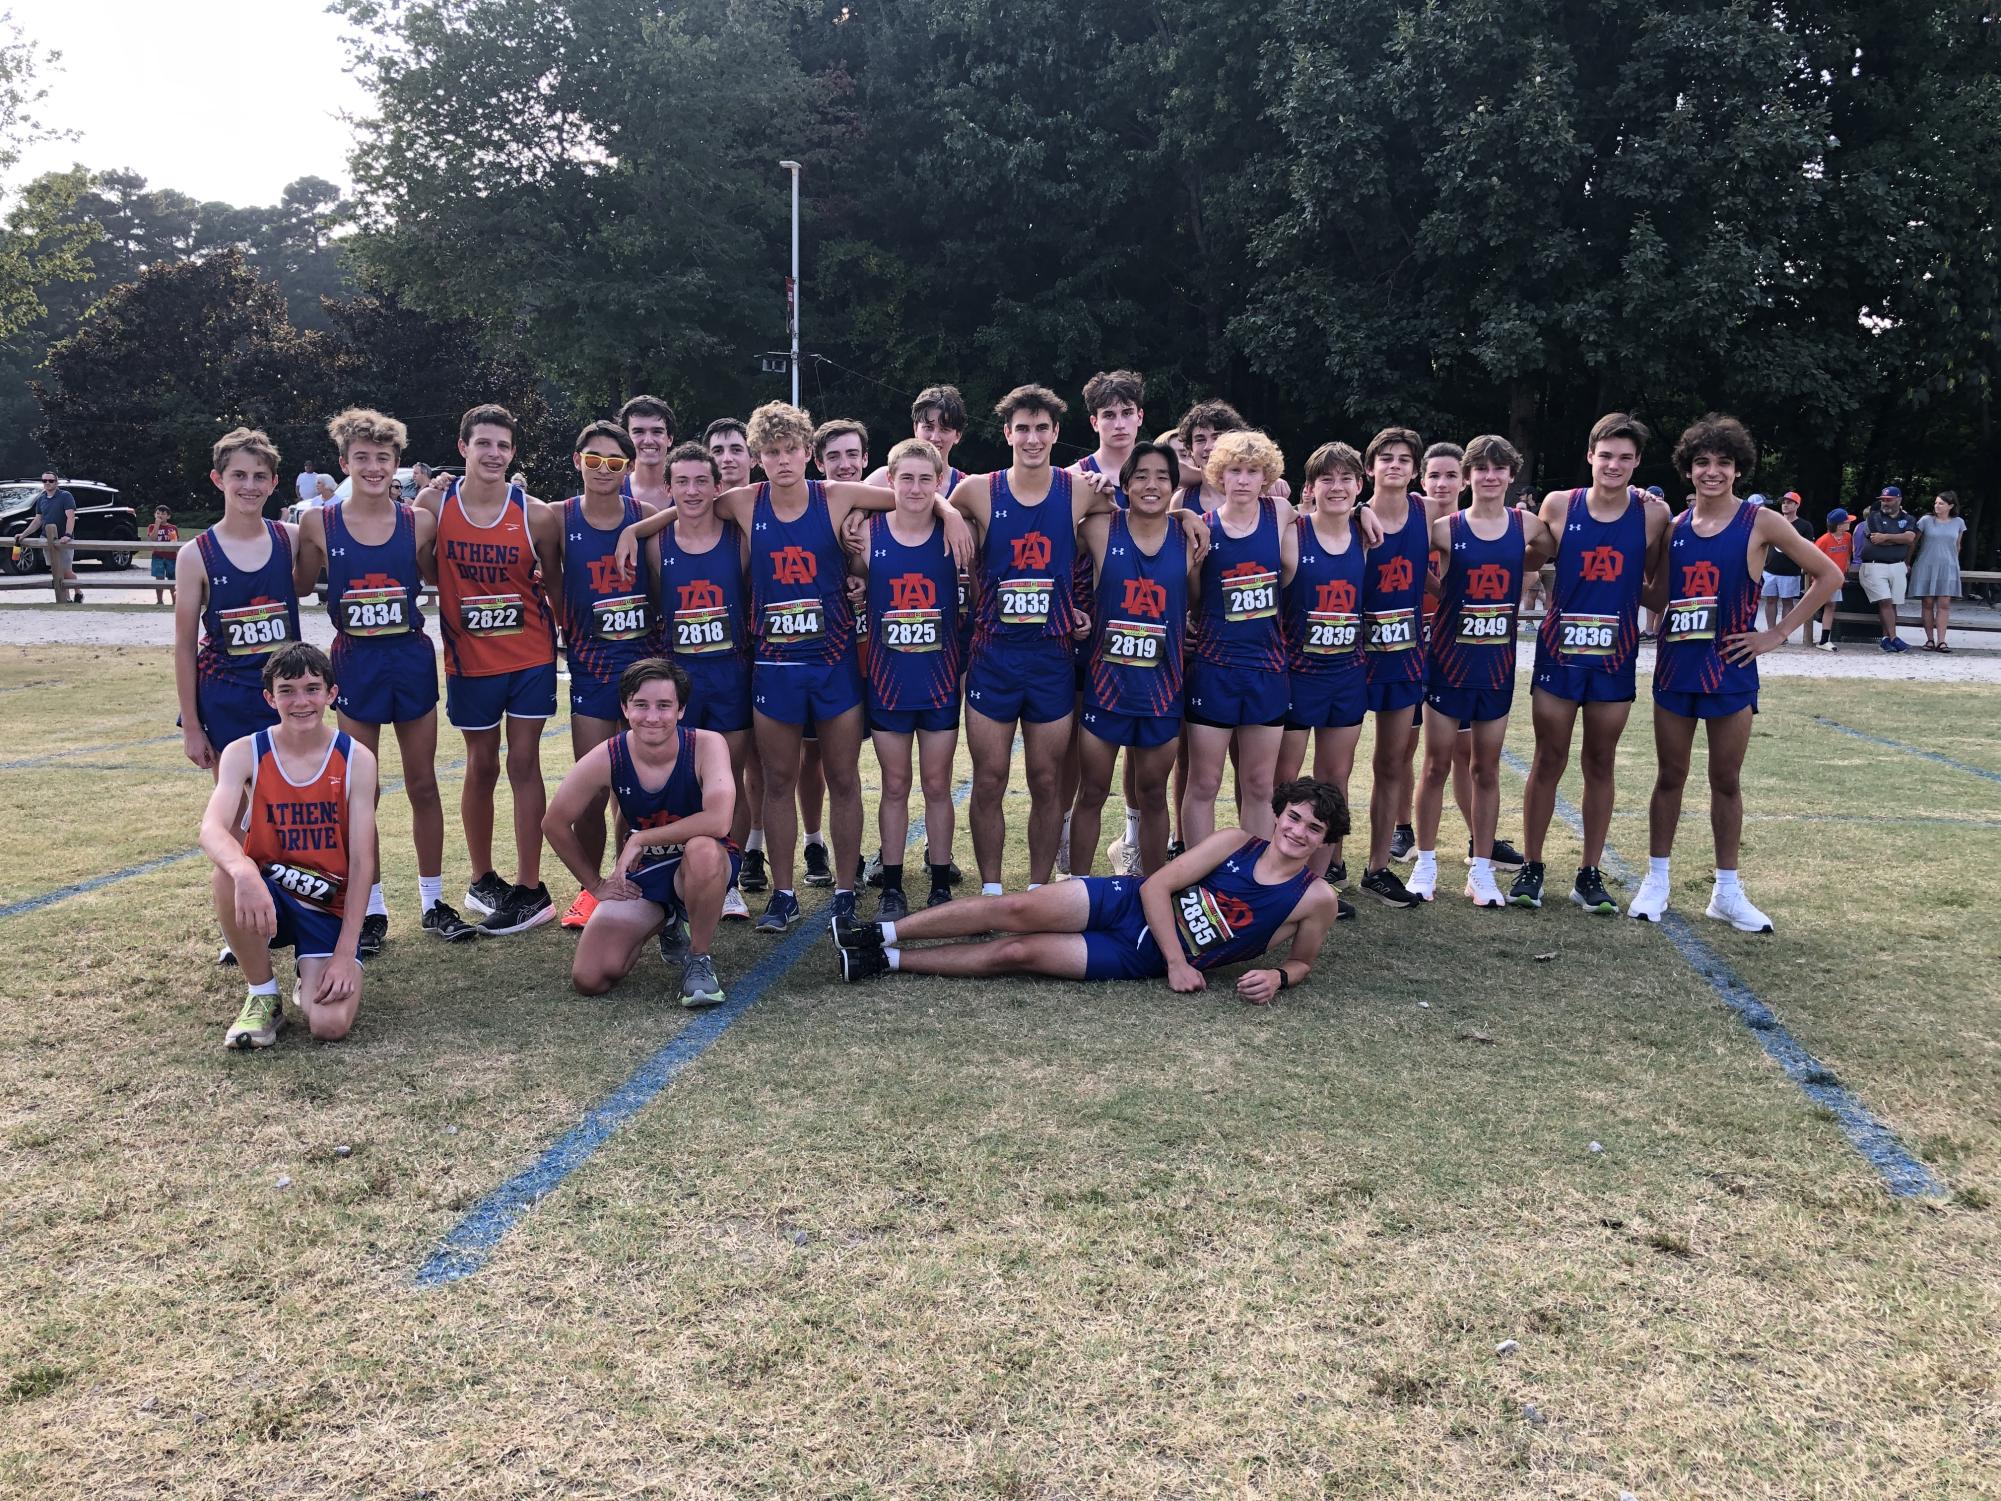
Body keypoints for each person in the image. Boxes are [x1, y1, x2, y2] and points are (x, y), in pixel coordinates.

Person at [616, 401, 969, 932]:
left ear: (808, 452)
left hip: (833, 666)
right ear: (758, 458)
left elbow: (908, 494)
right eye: (772, 452)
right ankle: (783, 891)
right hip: (773, 668)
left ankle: (847, 889)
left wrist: (951, 512)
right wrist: (634, 531)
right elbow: (693, 505)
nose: (783, 460)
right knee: (778, 781)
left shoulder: (837, 495)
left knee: (844, 779)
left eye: (791, 450)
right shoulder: (743, 501)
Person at [831, 778, 1345, 1002]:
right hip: (1129, 902)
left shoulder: (1316, 897)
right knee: (1014, 907)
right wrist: (1177, 962)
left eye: (1313, 829)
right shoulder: (1237, 842)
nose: (1297, 832)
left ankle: (887, 962)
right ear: (1279, 813)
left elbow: (1303, 962)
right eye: (1293, 817)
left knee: (1018, 951)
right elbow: (1157, 886)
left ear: (1326, 839)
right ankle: (880, 932)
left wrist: (1279, 977)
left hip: (1134, 954)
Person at [1630, 415, 1842, 932]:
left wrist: (1775, 635)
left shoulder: (1761, 521)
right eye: (1702, 462)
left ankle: (1727, 890)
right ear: (1688, 469)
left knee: (1725, 780)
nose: (1712, 471)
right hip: (1677, 668)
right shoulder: (1676, 528)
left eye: (1723, 462)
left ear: (1738, 469)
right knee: (1669, 778)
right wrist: (1617, 555)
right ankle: (1657, 881)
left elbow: (1829, 573)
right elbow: (1657, 596)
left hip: (1730, 671)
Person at [948, 385, 1160, 893]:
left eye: (1042, 428)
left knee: (1047, 782)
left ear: (1057, 432)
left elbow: (1138, 519)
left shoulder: (1079, 490)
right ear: (1007, 433)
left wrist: (1188, 516)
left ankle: (1040, 887)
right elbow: (932, 503)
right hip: (993, 656)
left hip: (1052, 658)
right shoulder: (977, 490)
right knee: (989, 779)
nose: (1033, 437)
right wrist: (947, 513)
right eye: (1023, 427)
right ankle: (993, 889)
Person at [293, 407, 475, 952]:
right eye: (363, 458)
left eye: (384, 458)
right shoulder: (315, 522)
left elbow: (438, 574)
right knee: (359, 793)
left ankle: (432, 900)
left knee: (422, 783)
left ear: (396, 464)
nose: (373, 467)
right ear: (344, 462)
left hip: (409, 658)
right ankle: (370, 909)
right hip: (355, 662)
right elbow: (297, 584)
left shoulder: (419, 520)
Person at [1511, 414, 1671, 914]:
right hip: (1559, 653)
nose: (1614, 465)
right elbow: (1525, 559)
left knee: (1600, 761)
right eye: (1606, 455)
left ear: (1638, 462)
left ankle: (1589, 872)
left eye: (1625, 457)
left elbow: (1658, 590)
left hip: (1615, 657)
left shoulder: (1654, 514)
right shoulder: (1560, 504)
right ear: (1590, 456)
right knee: (1548, 758)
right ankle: (1532, 866)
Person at [418, 403, 564, 935]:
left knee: (524, 761)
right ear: (463, 448)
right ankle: (483, 879)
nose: (494, 454)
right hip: (468, 660)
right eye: (484, 443)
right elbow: (423, 563)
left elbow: (554, 580)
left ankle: (530, 887)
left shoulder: (535, 513)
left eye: (503, 445)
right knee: (481, 765)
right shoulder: (434, 503)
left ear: (513, 453)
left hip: (529, 655)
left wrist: (567, 629)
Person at [199, 643, 377, 1050]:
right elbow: (211, 828)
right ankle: (263, 994)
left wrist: (346, 952)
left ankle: (310, 971)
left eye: (313, 688)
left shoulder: (356, 758)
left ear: (332, 694)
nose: (301, 701)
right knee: (227, 870)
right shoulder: (244, 752)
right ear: (269, 697)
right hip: (269, 893)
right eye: (288, 690)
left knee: (329, 1025)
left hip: (326, 900)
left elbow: (364, 862)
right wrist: (245, 871)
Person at [1409, 435, 1556, 906]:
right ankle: (1425, 863)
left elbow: (1549, 551)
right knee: (1434, 766)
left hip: (1496, 666)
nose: (1489, 477)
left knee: (1486, 769)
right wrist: (1443, 589)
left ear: (1512, 476)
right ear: (1469, 475)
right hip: (1448, 663)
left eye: (1499, 469)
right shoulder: (1445, 527)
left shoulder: (1527, 524)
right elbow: (1404, 556)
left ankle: (1481, 868)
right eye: (1481, 469)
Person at [543, 658, 739, 1006]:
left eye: (664, 705)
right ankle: (665, 920)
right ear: (624, 708)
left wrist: (641, 837)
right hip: (645, 874)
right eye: (641, 705)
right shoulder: (610, 754)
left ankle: (698, 958)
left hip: (702, 864)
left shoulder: (707, 744)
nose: (652, 716)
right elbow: (554, 822)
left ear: (681, 710)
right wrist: (596, 886)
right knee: (590, 977)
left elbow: (719, 821)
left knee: (702, 850)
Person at [1073, 441, 1200, 878]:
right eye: (1141, 475)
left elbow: (1197, 604)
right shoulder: (1099, 528)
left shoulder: (1190, 538)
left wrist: (1187, 515)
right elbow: (1046, 526)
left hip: (1161, 694)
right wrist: (1092, 488)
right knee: (1091, 790)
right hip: (1105, 690)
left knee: (1152, 793)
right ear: (1124, 484)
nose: (1151, 484)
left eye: (1162, 477)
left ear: (1174, 487)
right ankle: (1078, 885)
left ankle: (1150, 892)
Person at [554, 420, 661, 929]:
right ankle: (590, 889)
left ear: (629, 467)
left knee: (638, 790)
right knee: (594, 790)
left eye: (615, 462)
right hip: (592, 673)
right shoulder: (558, 519)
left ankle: (633, 881)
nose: (603, 470)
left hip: (642, 672)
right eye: (593, 460)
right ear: (577, 461)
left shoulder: (649, 519)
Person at [857, 438, 966, 916]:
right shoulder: (866, 534)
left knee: (938, 784)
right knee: (895, 784)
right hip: (888, 683)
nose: (916, 488)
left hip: (939, 683)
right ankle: (894, 885)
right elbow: (853, 582)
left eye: (926, 479)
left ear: (940, 483)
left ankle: (940, 881)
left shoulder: (955, 535)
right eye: (907, 478)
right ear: (890, 479)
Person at [647, 441, 755, 921]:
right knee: (680, 783)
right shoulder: (655, 544)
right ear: (668, 487)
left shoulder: (739, 538)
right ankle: (679, 874)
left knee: (731, 780)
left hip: (731, 674)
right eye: (682, 481)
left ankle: (730, 877)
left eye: (701, 481)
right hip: (680, 680)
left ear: (717, 486)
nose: (692, 491)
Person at [1182, 429, 1296, 847]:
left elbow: (1327, 520)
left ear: (1266, 476)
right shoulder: (1202, 526)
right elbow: (1191, 597)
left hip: (1267, 669)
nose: (1244, 479)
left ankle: (1252, 880)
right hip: (1215, 668)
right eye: (1235, 471)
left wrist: (1360, 511)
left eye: (1253, 471)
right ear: (1218, 475)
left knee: (1259, 785)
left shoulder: (1280, 512)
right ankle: (1198, 879)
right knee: (1204, 783)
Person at [174, 429, 303, 776]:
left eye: (260, 476)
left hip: (285, 694)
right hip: (225, 695)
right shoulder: (194, 555)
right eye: (239, 475)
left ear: (274, 482)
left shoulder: (291, 539)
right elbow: (184, 647)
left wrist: (434, 492)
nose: (250, 485)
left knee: (287, 806)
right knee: (234, 810)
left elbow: (351, 527)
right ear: (218, 479)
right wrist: (190, 726)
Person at [1276, 441, 1369, 918]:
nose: (1337, 487)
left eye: (1346, 478)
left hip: (1347, 675)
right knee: (1286, 782)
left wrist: (1368, 511)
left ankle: (1323, 877)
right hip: (1298, 676)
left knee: (1335, 779)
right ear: (1310, 488)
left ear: (1359, 484)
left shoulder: (1367, 535)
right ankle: (1276, 878)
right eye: (1326, 479)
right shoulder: (1293, 532)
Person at [1073, 370, 1148, 873]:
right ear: (1094, 420)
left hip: (1146, 630)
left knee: (1144, 750)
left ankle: (1133, 840)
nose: (1119, 424)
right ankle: (1064, 851)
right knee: (1075, 749)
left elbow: (1218, 483)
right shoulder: (1073, 476)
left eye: (1127, 413)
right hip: (1086, 630)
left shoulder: (1162, 471)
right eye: (1109, 415)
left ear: (1140, 417)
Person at [1356, 426, 1433, 908]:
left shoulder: (1429, 513)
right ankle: (1332, 862)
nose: (1395, 465)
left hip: (1403, 660)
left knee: (1392, 763)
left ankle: (1378, 867)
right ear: (1370, 467)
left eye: (1405, 459)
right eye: (1386, 458)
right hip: (1348, 657)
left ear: (1415, 470)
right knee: (1334, 768)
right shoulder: (1348, 513)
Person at [803, 417, 874, 887]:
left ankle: (875, 852)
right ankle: (813, 843)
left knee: (861, 763)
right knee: (812, 757)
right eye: (834, 457)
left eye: (852, 455)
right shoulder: (805, 504)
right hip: (817, 652)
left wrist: (864, 573)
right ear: (818, 461)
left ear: (866, 459)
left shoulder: (883, 501)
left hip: (873, 650)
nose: (845, 464)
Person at [1855, 484, 1919, 652]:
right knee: (1886, 601)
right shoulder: (1873, 517)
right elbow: (1875, 539)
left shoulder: (1909, 519)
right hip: (1875, 565)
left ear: (1899, 500)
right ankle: (1894, 638)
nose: (1885, 503)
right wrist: (1898, 539)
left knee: (1893, 603)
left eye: (1889, 500)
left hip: (1897, 565)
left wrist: (1887, 537)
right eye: (1883, 500)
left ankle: (1886, 639)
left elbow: (1910, 538)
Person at [1913, 491, 1967, 652]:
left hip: (1948, 566)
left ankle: (1941, 641)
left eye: (1941, 503)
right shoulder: (1926, 521)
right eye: (1936, 503)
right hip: (1926, 564)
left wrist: (1954, 563)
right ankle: (1929, 639)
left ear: (1951, 506)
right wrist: (1907, 562)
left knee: (1944, 604)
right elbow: (1914, 543)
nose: (1937, 506)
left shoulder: (1958, 522)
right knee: (1927, 603)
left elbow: (1957, 545)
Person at [1758, 491, 1815, 641]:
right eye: (1784, 502)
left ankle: (1782, 634)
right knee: (1770, 600)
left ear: (1797, 505)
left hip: (1791, 571)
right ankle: (1771, 631)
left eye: (1789, 502)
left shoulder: (1804, 526)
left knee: (1787, 601)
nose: (1785, 504)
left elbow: (1809, 547)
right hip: (1770, 568)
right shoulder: (1774, 521)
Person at [618, 394, 677, 510]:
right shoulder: (613, 490)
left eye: (657, 431)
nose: (648, 441)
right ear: (626, 438)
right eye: (638, 431)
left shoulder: (690, 490)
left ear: (669, 439)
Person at [1811, 507, 1853, 651]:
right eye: (1847, 522)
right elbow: (1814, 560)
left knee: (1831, 606)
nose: (1849, 524)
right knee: (1826, 604)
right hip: (1824, 579)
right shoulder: (1823, 540)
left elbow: (1847, 554)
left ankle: (1824, 640)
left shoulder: (1848, 537)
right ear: (1840, 525)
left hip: (1837, 580)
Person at [33, 471, 78, 604]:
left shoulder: (65, 496)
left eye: (50, 481)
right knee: (56, 569)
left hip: (63, 539)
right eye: (44, 481)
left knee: (65, 571)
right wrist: (23, 534)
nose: (47, 483)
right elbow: (38, 520)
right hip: (47, 538)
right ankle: (67, 598)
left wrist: (68, 535)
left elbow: (70, 517)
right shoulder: (41, 498)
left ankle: (76, 592)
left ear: (56, 482)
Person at [706, 417, 754, 491]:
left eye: (736, 450)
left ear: (753, 459)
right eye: (718, 451)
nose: (727, 459)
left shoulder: (774, 501)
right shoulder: (696, 502)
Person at [148, 504, 178, 605]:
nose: (160, 515)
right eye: (158, 513)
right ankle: (159, 601)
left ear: (168, 516)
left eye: (163, 514)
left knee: (172, 579)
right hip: (158, 556)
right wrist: (157, 525)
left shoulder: (172, 527)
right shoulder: (152, 527)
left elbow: (174, 542)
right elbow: (153, 539)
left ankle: (174, 601)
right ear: (154, 515)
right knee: (159, 578)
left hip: (171, 557)